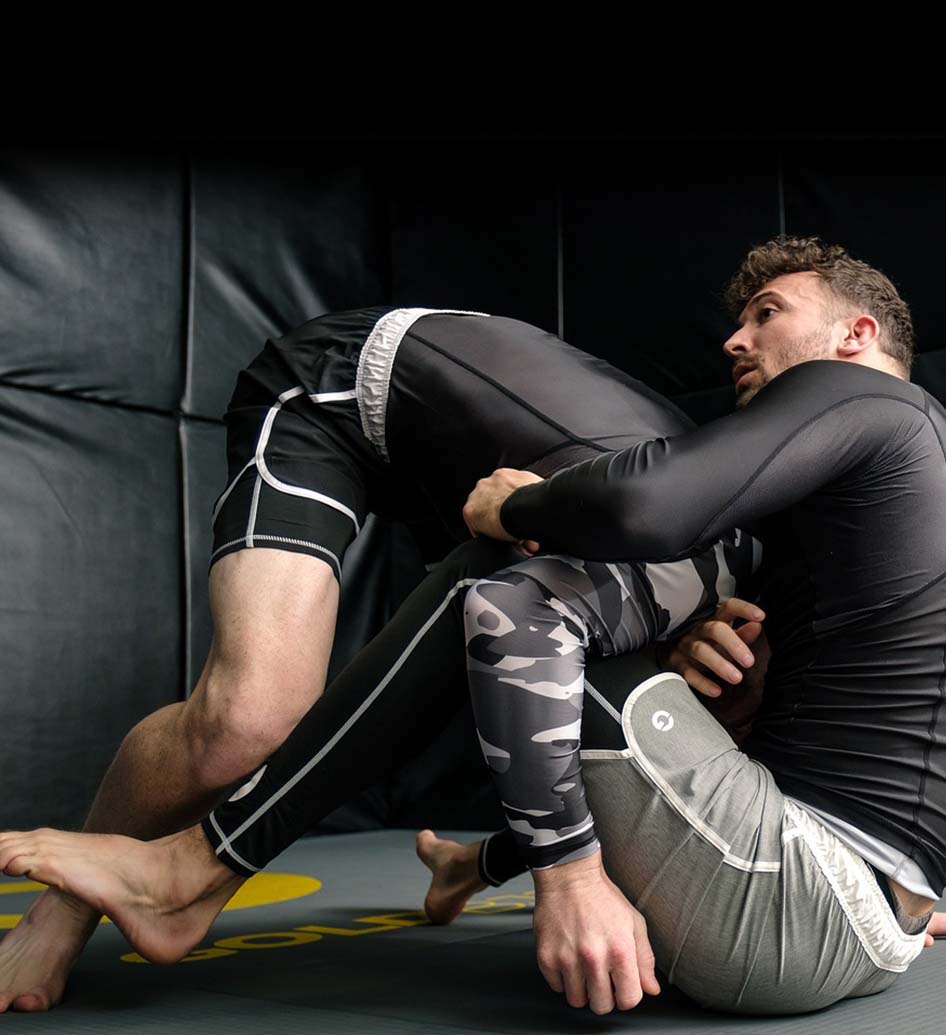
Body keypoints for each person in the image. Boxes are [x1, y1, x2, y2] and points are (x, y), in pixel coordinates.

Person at [0, 238, 946, 1016]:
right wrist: (894, 898)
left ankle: (194, 866)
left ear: (855, 337)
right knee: (270, 712)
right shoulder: (858, 512)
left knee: (523, 595)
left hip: (798, 903)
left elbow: (634, 516)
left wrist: (509, 510)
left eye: (767, 313)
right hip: (856, 918)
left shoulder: (864, 405)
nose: (733, 340)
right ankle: (104, 903)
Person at [0, 304, 749, 1012]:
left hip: (460, 478)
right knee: (247, 719)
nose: (735, 340)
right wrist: (568, 875)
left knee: (571, 689)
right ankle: (59, 915)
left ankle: (239, 879)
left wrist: (485, 863)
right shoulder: (676, 525)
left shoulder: (716, 581)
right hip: (339, 386)